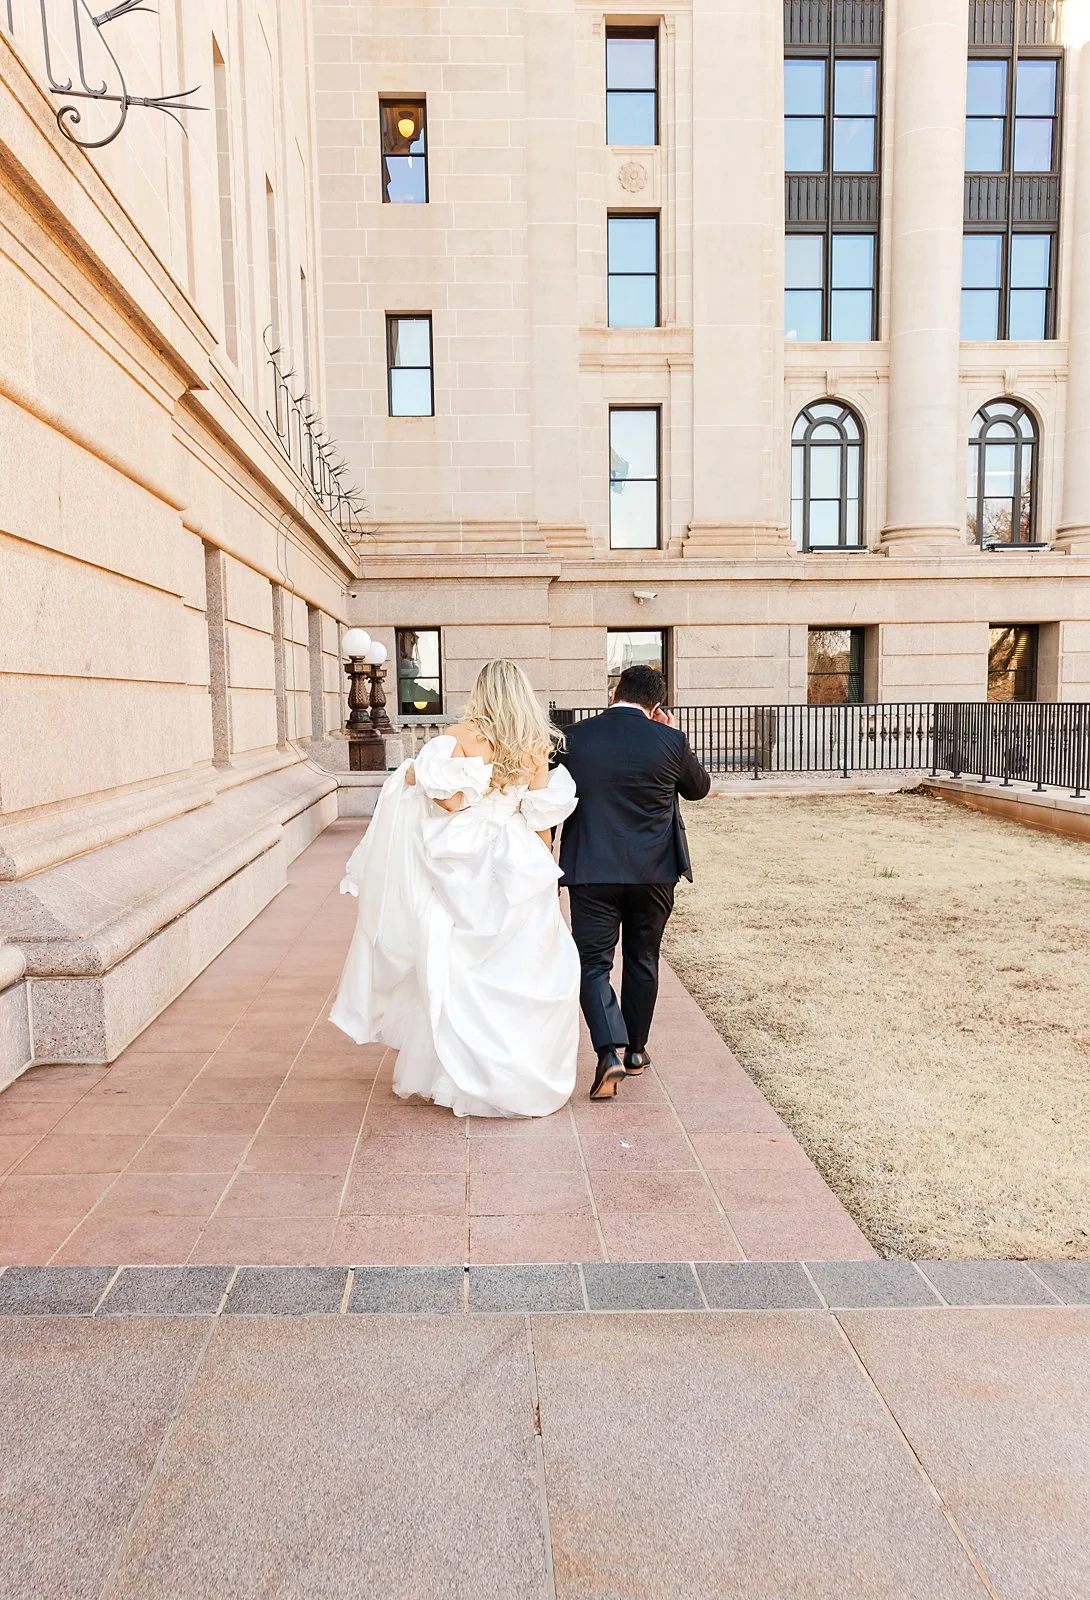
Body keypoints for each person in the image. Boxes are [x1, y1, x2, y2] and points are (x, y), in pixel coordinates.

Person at [330, 659, 580, 1118]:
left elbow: (449, 803)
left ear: (481, 691)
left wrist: (413, 775)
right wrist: (546, 875)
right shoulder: (533, 745)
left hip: (467, 856)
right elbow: (542, 823)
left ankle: (461, 1073)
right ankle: (520, 1072)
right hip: (519, 855)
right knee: (525, 964)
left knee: (458, 962)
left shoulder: (458, 736)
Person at [557, 665, 712, 1100]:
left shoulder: (574, 738)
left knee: (593, 963)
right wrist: (674, 734)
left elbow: (548, 793)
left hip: (591, 870)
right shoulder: (670, 740)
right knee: (643, 957)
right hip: (654, 872)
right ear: (657, 706)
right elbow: (698, 789)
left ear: (613, 693)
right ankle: (636, 1052)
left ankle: (607, 1051)